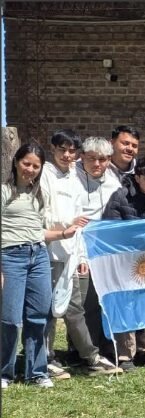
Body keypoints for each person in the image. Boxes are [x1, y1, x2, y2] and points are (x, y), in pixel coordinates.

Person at [2, 144, 85, 389]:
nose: (30, 169)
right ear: (16, 162)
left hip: (37, 256)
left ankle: (36, 372)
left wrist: (63, 234)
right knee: (10, 319)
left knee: (38, 316)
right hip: (10, 257)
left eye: (36, 166)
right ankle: (4, 372)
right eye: (26, 163)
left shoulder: (38, 194)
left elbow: (38, 231)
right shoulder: (5, 191)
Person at [40, 129, 120, 378]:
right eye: (61, 149)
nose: (66, 155)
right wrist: (67, 224)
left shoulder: (74, 177)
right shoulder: (45, 175)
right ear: (52, 149)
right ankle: (46, 359)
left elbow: (81, 223)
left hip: (73, 253)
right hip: (50, 251)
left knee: (74, 308)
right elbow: (46, 215)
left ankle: (91, 357)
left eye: (70, 150)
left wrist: (81, 256)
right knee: (50, 310)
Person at [102, 158, 145, 370]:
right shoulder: (120, 197)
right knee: (126, 305)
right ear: (137, 177)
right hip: (126, 260)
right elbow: (111, 228)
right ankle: (125, 354)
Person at [75, 136, 122, 363]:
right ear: (81, 156)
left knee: (102, 300)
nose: (97, 164)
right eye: (91, 159)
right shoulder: (71, 179)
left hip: (106, 251)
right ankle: (82, 349)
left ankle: (103, 347)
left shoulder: (114, 181)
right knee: (84, 303)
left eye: (102, 159)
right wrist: (80, 254)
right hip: (77, 249)